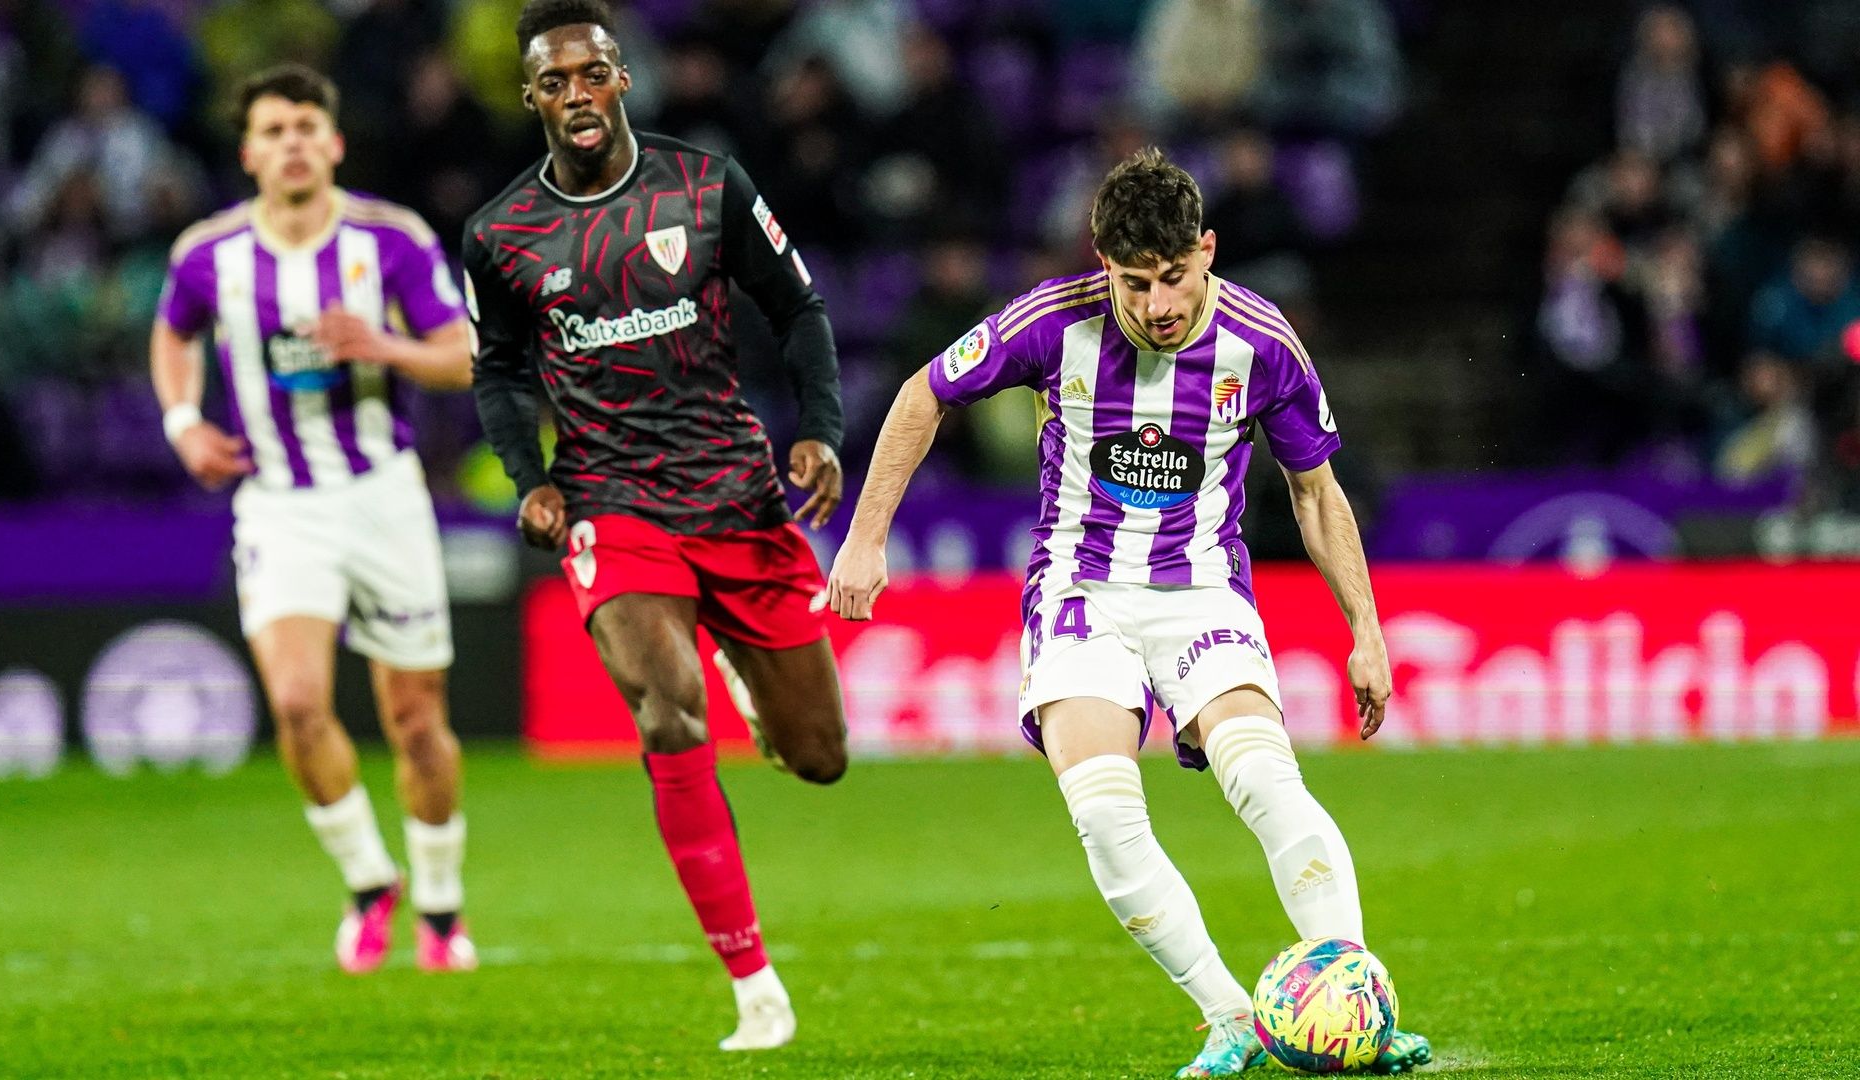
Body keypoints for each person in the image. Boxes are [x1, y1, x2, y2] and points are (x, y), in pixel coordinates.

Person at [829, 148, 1434, 1077]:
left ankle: (1355, 1005)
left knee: (1264, 780)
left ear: (1209, 251)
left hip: (1202, 591)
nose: (1158, 304)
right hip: (1080, 590)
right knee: (1106, 814)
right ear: (1101, 262)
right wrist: (866, 539)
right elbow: (923, 393)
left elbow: (1315, 491)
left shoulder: (1262, 340)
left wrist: (1367, 631)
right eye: (1135, 281)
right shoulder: (1048, 322)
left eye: (1176, 277)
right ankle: (1231, 1016)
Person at [465, 0, 848, 1051]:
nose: (575, 95)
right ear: (533, 97)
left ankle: (748, 682)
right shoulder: (500, 236)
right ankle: (754, 985)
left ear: (622, 79)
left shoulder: (707, 186)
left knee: (820, 758)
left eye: (591, 74)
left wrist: (818, 432)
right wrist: (530, 479)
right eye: (553, 81)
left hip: (739, 498)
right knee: (667, 718)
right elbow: (496, 369)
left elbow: (801, 312)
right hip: (613, 503)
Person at [149, 64, 477, 974]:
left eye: (305, 126)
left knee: (415, 720)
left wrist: (387, 346)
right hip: (280, 504)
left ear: (332, 144)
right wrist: (183, 421)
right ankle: (372, 884)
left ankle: (441, 906)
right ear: (250, 152)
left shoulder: (391, 239)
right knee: (296, 704)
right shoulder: (208, 254)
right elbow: (171, 332)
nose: (292, 141)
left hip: (383, 497)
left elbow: (462, 356)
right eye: (273, 129)